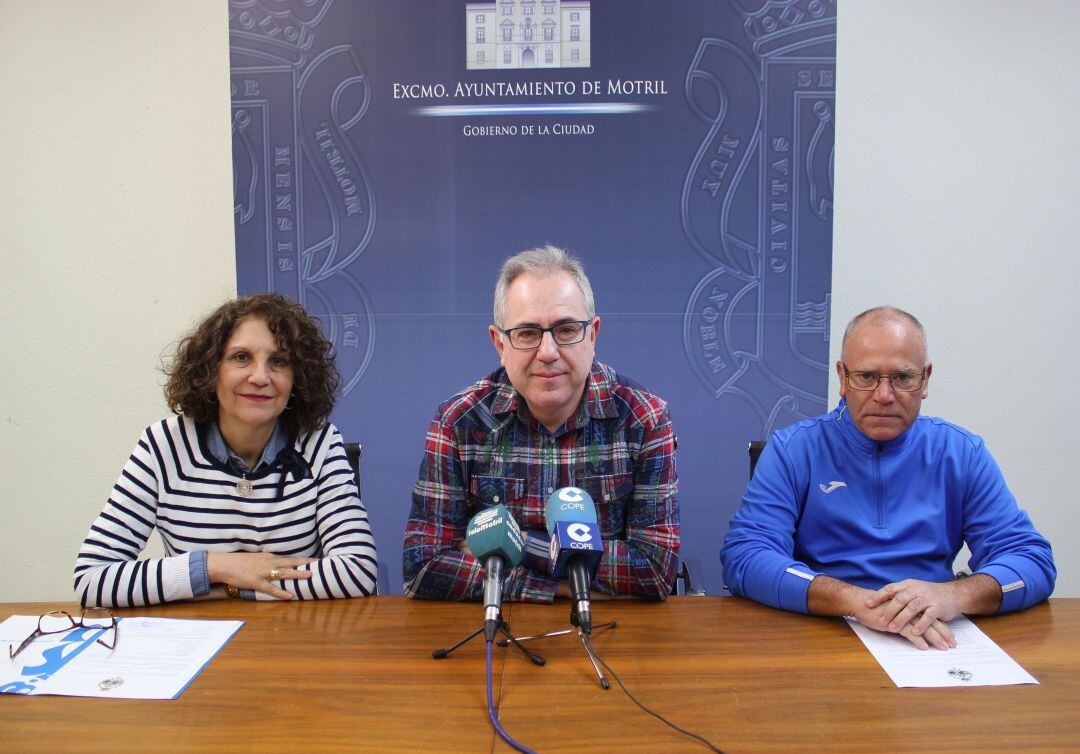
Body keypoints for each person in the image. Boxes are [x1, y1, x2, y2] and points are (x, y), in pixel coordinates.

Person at [721, 306, 1055, 649]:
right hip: (822, 633)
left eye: (903, 378)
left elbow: (1033, 563)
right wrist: (857, 602)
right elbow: (746, 558)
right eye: (866, 377)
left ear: (925, 380)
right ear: (842, 378)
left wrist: (953, 595)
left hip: (931, 640)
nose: (884, 395)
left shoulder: (961, 452)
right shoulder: (794, 449)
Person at [403, 246, 679, 602]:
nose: (548, 351)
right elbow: (423, 567)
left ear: (592, 335)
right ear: (500, 343)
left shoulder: (644, 419)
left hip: (611, 638)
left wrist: (515, 548)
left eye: (566, 330)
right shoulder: (458, 422)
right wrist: (560, 586)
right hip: (492, 637)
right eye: (528, 333)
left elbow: (655, 570)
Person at [74, 293, 378, 606]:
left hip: (294, 641)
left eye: (278, 361)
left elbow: (357, 571)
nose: (260, 377)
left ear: (297, 379)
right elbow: (92, 579)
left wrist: (230, 589)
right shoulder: (162, 446)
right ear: (210, 369)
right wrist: (217, 566)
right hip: (193, 644)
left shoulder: (320, 444)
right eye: (241, 357)